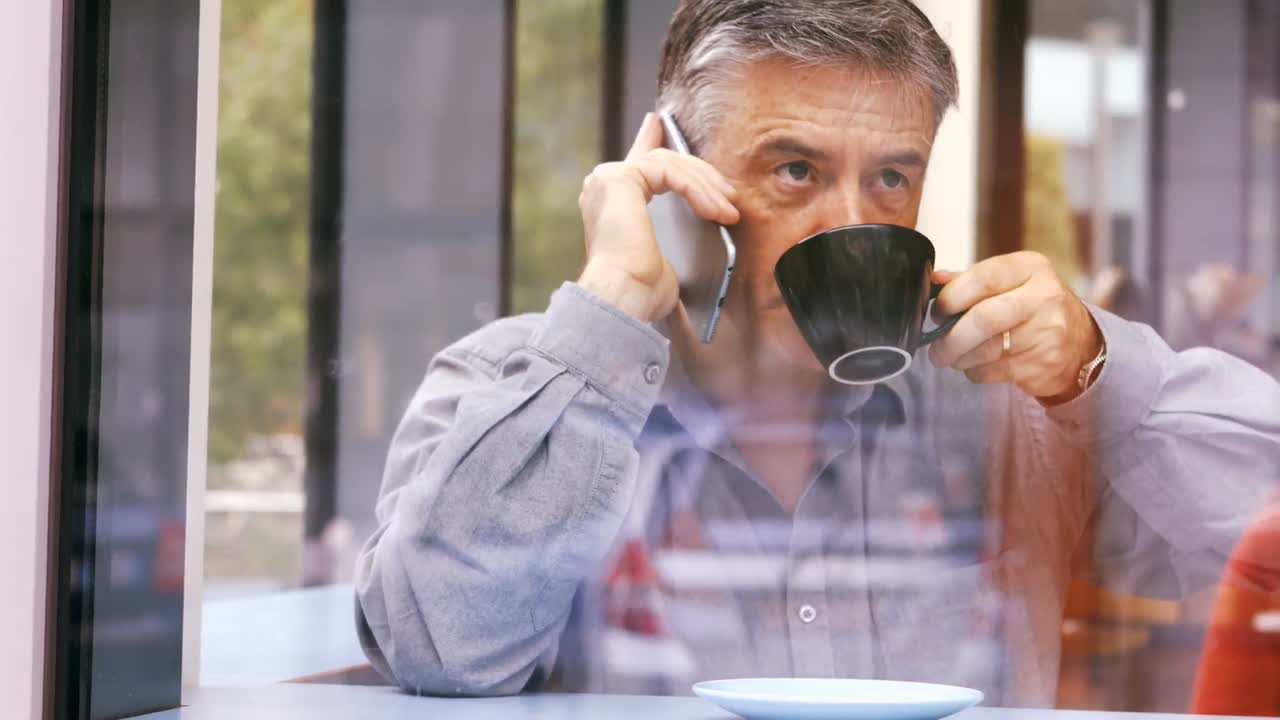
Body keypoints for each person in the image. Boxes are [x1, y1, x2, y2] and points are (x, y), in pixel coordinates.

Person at [354, 0, 1280, 705]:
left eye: (891, 177)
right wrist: (611, 308)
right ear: (675, 177)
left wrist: (1094, 371)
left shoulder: (1007, 403)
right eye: (795, 170)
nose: (851, 225)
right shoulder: (522, 386)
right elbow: (437, 650)